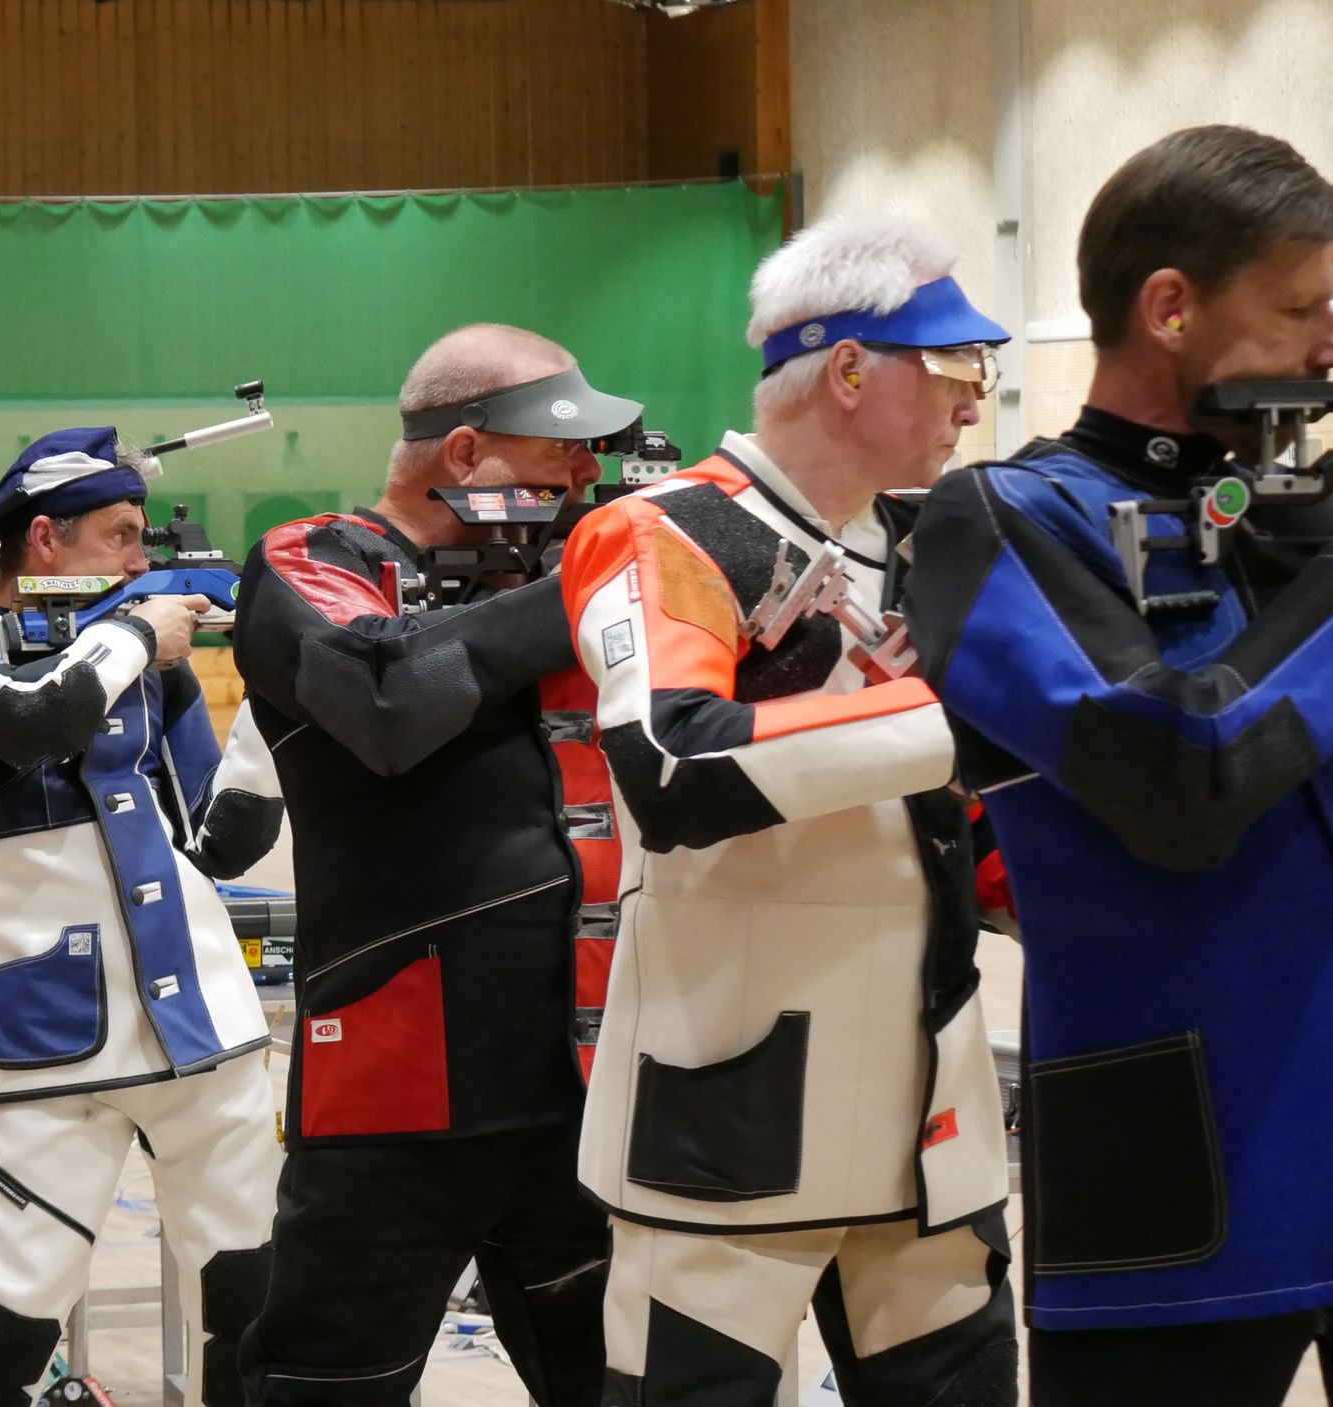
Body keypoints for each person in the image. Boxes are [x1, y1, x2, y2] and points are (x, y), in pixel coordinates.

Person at [905, 126, 1333, 1406]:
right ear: (1169, 308)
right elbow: (1178, 780)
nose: (1328, 344)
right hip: (1185, 1167)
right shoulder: (998, 519)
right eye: (1301, 309)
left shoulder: (1300, 531)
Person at [560, 216, 1017, 1405]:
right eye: (956, 364)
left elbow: (954, 813)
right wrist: (950, 717)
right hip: (732, 1104)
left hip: (933, 1112)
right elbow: (671, 762)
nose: (974, 399)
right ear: (849, 369)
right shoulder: (664, 530)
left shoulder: (928, 542)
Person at [230, 325, 625, 1407]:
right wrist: (594, 578)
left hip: (583, 1074)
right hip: (396, 1079)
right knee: (327, 1384)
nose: (584, 479)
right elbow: (388, 700)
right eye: (561, 454)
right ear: (463, 453)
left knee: (617, 1383)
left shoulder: (546, 575)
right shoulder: (315, 557)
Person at [0, 429, 286, 1406]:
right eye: (119, 535)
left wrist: (281, 690)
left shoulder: (139, 657)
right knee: (9, 1315)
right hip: (52, 1040)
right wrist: (134, 637)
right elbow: (32, 719)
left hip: (205, 1024)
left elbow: (219, 842)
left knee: (255, 1301)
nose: (140, 561)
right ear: (44, 538)